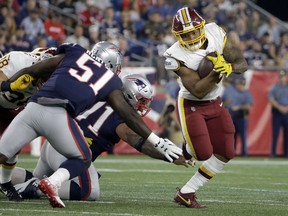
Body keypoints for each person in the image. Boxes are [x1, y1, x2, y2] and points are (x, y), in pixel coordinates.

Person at [0, 42, 182, 208]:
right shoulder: (110, 88)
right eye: (141, 102)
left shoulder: (77, 52)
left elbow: (38, 68)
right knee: (89, 185)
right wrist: (166, 150)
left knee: (7, 155)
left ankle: (19, 182)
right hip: (61, 133)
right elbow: (135, 133)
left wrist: (7, 86)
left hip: (38, 116)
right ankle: (36, 187)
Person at [12, 74, 195, 201]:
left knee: (34, 176)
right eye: (141, 101)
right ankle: (37, 189)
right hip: (71, 151)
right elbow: (139, 142)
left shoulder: (100, 95)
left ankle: (13, 178)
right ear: (130, 96)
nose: (143, 106)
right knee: (89, 191)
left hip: (53, 143)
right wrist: (169, 156)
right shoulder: (121, 116)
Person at [163, 7, 248, 208]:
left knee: (226, 151)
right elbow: (197, 90)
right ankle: (186, 147)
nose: (192, 37)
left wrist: (229, 67)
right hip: (192, 104)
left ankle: (186, 193)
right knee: (201, 153)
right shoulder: (174, 55)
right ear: (178, 36)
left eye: (194, 31)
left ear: (201, 27)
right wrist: (216, 72)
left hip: (215, 102)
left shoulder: (215, 32)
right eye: (186, 34)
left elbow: (241, 62)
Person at [0, 47, 56, 201]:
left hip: (11, 108)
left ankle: (4, 182)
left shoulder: (53, 80)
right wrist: (10, 86)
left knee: (12, 145)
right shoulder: (17, 60)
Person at [230, 78, 253, 157]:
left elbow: (248, 106)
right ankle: (232, 153)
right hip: (233, 117)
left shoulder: (247, 94)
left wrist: (238, 107)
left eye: (239, 84)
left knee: (243, 136)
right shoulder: (234, 93)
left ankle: (244, 153)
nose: (237, 86)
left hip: (242, 117)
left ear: (242, 84)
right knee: (233, 136)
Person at [268, 70, 288, 157]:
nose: (282, 78)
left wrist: (286, 108)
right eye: (280, 77)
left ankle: (286, 153)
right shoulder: (275, 87)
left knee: (287, 134)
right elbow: (271, 99)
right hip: (277, 111)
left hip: (287, 111)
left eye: (283, 76)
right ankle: (273, 153)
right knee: (275, 133)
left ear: (286, 77)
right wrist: (280, 107)